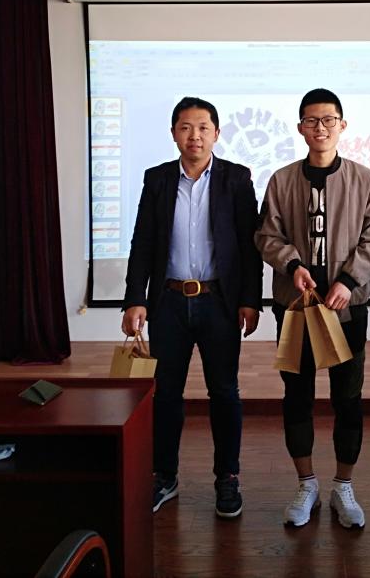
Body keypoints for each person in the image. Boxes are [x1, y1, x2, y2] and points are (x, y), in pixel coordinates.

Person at [255, 88, 370, 530]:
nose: (320, 127)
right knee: (297, 395)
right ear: (300, 128)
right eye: (312, 120)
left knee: (347, 397)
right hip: (294, 307)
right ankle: (306, 483)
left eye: (328, 119)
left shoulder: (365, 180)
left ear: (342, 125)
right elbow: (266, 235)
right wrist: (292, 265)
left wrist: (348, 281)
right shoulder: (281, 180)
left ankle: (344, 486)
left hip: (347, 308)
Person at [121, 97, 262, 518]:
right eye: (185, 127)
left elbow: (250, 246)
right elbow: (142, 242)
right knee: (165, 394)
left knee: (225, 392)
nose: (194, 136)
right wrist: (135, 298)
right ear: (173, 133)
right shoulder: (158, 179)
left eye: (202, 128)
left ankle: (227, 478)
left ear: (216, 133)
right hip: (168, 302)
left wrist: (250, 300)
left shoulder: (237, 178)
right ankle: (164, 476)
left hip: (219, 302)